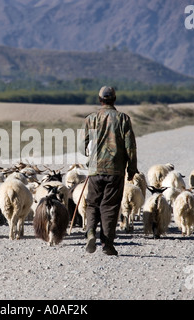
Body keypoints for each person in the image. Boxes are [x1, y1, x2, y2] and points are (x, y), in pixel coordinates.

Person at [79, 86, 138, 255]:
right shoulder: (123, 119)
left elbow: (82, 145)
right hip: (115, 170)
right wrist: (132, 169)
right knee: (110, 206)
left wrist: (89, 159)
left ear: (100, 100)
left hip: (95, 170)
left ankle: (90, 231)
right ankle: (107, 244)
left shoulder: (90, 118)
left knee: (92, 204)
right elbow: (130, 147)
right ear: (114, 99)